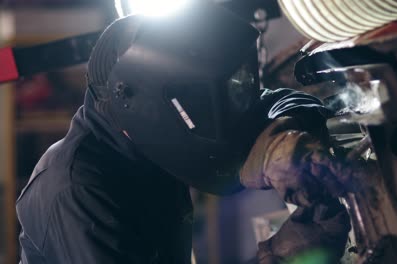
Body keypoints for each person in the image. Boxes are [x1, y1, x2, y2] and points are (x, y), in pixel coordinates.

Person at [16, 2, 351, 263]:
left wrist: (283, 141)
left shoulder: (160, 124)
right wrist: (276, 258)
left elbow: (278, 101)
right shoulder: (77, 190)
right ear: (137, 103)